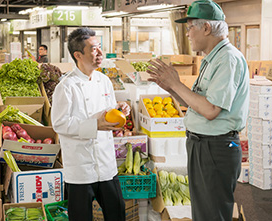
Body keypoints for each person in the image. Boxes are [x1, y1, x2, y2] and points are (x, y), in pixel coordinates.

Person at [147, 1, 249, 220]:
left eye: (190, 27)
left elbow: (211, 110)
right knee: (203, 212)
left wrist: (176, 83)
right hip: (202, 145)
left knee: (212, 214)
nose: (187, 33)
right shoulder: (210, 59)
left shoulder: (227, 59)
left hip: (216, 148)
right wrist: (171, 89)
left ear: (207, 28)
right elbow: (198, 103)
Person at [51, 27, 129, 221]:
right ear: (78, 55)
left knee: (117, 214)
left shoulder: (104, 81)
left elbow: (108, 112)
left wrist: (119, 108)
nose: (100, 53)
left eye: (100, 47)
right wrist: (95, 125)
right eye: (94, 49)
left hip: (106, 164)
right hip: (80, 170)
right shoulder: (66, 86)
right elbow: (59, 124)